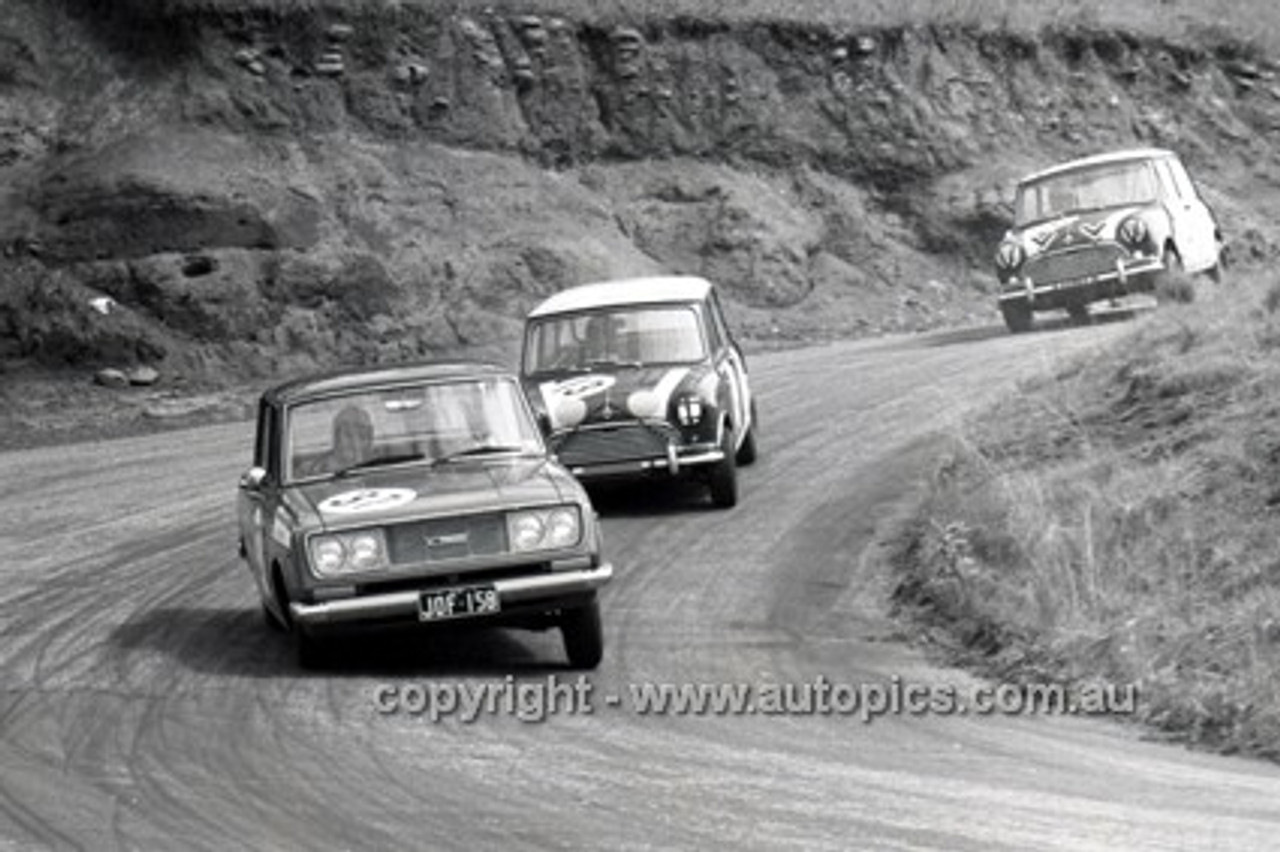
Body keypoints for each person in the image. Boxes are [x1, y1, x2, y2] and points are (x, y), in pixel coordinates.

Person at [328, 404, 375, 472]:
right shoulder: (323, 472)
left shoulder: (378, 465)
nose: (356, 443)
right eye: (348, 436)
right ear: (337, 439)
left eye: (362, 436)